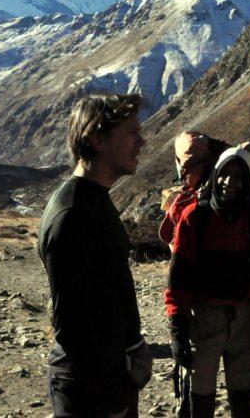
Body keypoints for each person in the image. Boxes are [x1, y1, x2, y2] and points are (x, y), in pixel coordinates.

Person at [39, 93, 152, 418]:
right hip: (91, 392)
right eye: (132, 132)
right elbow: (71, 326)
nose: (142, 142)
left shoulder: (92, 199)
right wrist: (113, 393)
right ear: (97, 139)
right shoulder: (73, 215)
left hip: (106, 378)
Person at [165, 145, 250, 418]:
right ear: (215, 176)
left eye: (238, 176)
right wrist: (178, 331)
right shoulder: (193, 218)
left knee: (247, 398)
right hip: (204, 321)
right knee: (198, 397)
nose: (229, 182)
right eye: (224, 174)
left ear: (249, 183)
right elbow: (179, 281)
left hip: (248, 321)